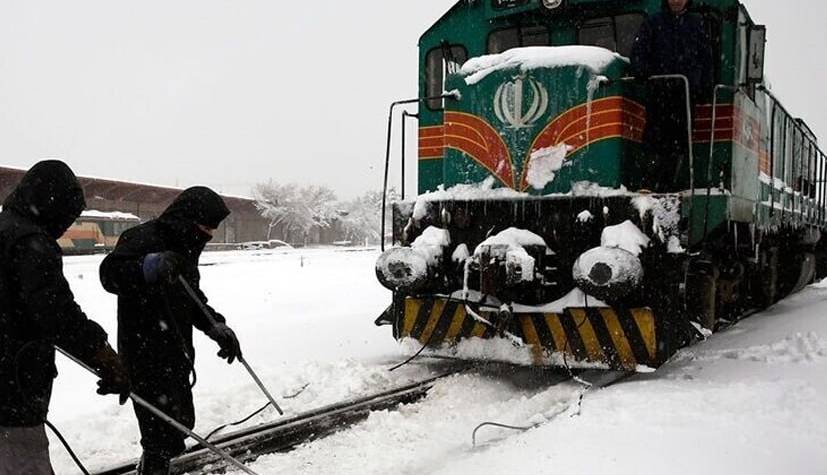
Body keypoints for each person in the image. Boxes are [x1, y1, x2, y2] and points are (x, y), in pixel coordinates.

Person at [0, 160, 130, 475]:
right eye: (66, 216)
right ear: (50, 205)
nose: (64, 226)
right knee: (23, 462)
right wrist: (103, 356)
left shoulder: (5, 228)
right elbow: (57, 314)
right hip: (12, 385)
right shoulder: (31, 242)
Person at [99, 186, 241, 475]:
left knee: (179, 423)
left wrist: (215, 325)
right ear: (187, 218)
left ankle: (158, 463)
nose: (209, 234)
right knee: (159, 431)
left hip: (176, 349)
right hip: (144, 350)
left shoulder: (185, 245)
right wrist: (148, 267)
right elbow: (110, 274)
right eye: (205, 227)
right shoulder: (141, 238)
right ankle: (153, 468)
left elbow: (190, 297)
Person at [630, 0, 714, 191]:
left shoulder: (696, 24)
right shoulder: (653, 23)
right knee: (654, 136)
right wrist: (640, 70)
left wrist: (704, 87)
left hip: (686, 93)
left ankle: (671, 182)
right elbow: (640, 49)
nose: (676, 0)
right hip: (659, 90)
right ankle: (649, 181)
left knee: (680, 140)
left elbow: (706, 57)